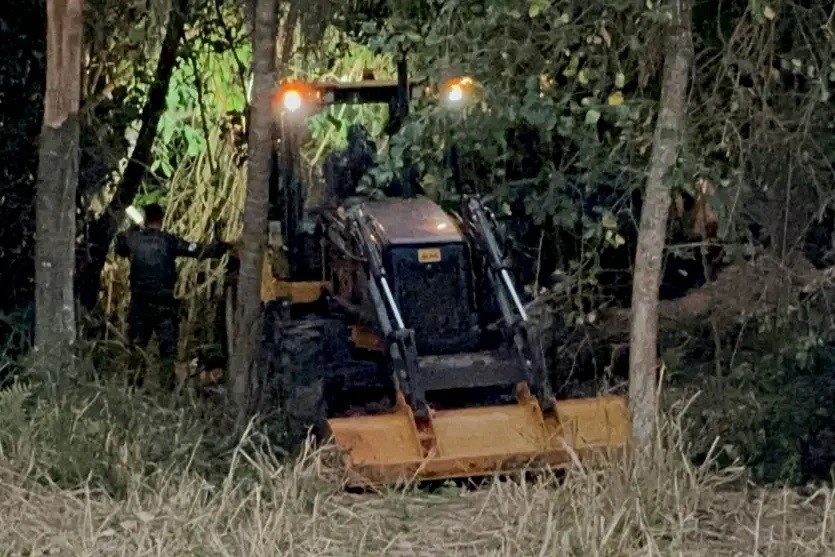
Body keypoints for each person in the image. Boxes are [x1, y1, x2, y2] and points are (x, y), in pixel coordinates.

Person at [114, 203, 231, 391]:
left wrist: (132, 228)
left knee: (137, 347)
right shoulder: (169, 241)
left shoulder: (133, 239)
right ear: (161, 218)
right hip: (164, 305)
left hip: (140, 304)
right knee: (167, 351)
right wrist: (221, 246)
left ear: (145, 218)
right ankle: (167, 389)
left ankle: (132, 387)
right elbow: (200, 250)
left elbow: (119, 246)